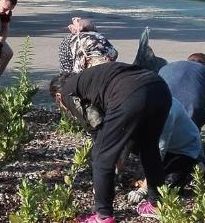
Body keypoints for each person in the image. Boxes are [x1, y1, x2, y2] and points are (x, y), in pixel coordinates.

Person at [49, 32, 171, 222]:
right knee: (149, 148)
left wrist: (109, 154)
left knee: (101, 155)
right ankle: (156, 205)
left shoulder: (67, 91)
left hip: (130, 93)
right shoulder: (89, 78)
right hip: (159, 88)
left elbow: (94, 125)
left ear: (58, 97)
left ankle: (103, 216)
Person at [126, 98, 205, 204]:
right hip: (164, 146)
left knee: (164, 191)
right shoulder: (140, 103)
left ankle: (200, 164)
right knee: (142, 175)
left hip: (183, 151)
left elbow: (158, 152)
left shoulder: (168, 111)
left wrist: (143, 189)